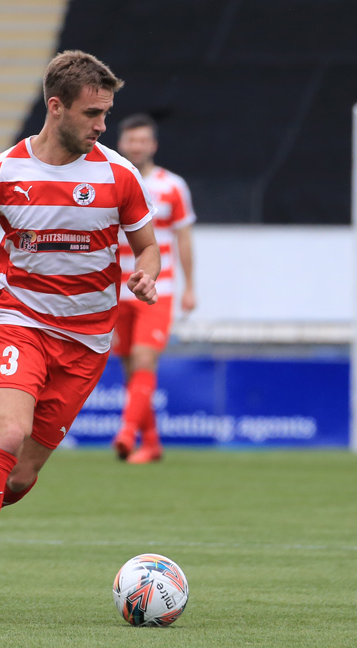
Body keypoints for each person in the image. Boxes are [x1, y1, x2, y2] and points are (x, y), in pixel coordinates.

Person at [0, 50, 161, 621]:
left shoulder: (119, 175)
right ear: (55, 106)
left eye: (106, 114)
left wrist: (148, 272)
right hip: (22, 323)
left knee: (21, 477)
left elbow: (147, 244)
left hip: (89, 341)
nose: (102, 125)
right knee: (10, 431)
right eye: (93, 113)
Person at [111, 113, 197, 464]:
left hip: (157, 287)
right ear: (122, 143)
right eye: (132, 140)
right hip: (115, 290)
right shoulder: (110, 181)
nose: (137, 146)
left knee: (146, 358)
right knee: (131, 368)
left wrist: (190, 287)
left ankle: (126, 433)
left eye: (143, 140)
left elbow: (184, 238)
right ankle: (152, 443)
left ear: (153, 145)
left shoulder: (172, 186)